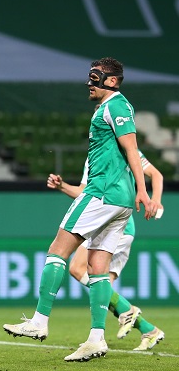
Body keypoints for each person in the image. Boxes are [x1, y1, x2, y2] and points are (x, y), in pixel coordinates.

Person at [3, 57, 157, 362]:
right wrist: (137, 192)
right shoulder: (109, 107)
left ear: (111, 81)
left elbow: (131, 149)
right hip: (119, 202)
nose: (89, 82)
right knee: (98, 270)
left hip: (102, 193)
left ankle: (39, 321)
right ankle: (97, 338)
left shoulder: (116, 105)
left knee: (57, 251)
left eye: (95, 77)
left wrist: (144, 189)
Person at [46, 150, 165, 351]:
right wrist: (63, 186)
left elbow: (156, 174)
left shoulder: (126, 149)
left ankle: (125, 313)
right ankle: (149, 330)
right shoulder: (93, 157)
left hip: (116, 226)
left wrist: (156, 199)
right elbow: (85, 193)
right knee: (103, 293)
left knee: (78, 268)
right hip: (102, 225)